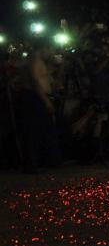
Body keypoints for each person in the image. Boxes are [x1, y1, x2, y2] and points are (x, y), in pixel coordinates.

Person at [19, 43, 60, 171]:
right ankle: (32, 163)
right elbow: (35, 81)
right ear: (44, 48)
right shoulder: (35, 60)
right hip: (35, 97)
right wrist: (46, 100)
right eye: (50, 50)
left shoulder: (39, 61)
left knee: (44, 129)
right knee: (34, 130)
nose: (51, 54)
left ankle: (45, 161)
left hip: (39, 96)